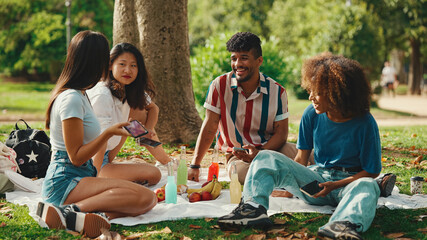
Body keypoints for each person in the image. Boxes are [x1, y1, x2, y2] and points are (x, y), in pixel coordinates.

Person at [218, 53, 383, 240]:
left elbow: (371, 171)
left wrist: (336, 185)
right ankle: (253, 209)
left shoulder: (365, 122)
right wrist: (291, 185)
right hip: (318, 181)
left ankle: (342, 225)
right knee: (265, 156)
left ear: (338, 93)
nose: (311, 97)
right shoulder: (311, 114)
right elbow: (301, 160)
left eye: (317, 92)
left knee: (369, 186)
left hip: (350, 183)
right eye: (310, 90)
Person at [37, 31, 157, 238]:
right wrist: (107, 134)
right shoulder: (72, 98)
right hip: (65, 181)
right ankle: (69, 212)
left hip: (81, 176)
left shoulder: (82, 94)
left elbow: (151, 112)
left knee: (145, 201)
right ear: (94, 62)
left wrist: (121, 134)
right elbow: (75, 157)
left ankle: (91, 215)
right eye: (105, 59)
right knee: (145, 196)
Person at [188, 32, 305, 184]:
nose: (237, 64)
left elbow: (281, 133)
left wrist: (260, 153)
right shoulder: (219, 86)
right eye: (234, 58)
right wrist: (195, 165)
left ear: (259, 61)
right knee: (246, 175)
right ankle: (292, 176)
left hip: (271, 149)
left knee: (309, 155)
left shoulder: (277, 91)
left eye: (244, 58)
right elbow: (210, 126)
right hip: (238, 156)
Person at [86, 42, 171, 180]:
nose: (128, 70)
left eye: (133, 66)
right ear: (110, 66)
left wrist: (147, 131)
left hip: (107, 155)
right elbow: (98, 140)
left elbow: (153, 108)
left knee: (135, 117)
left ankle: (166, 161)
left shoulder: (129, 90)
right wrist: (94, 180)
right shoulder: (102, 94)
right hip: (90, 163)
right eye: (122, 64)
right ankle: (102, 176)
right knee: (153, 174)